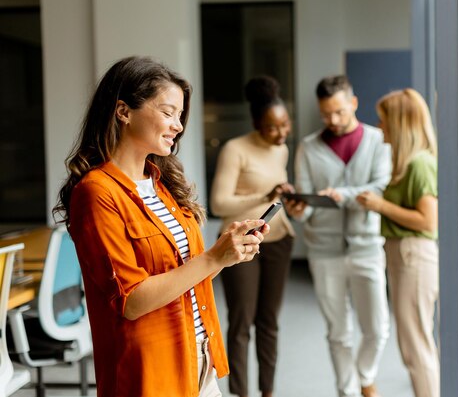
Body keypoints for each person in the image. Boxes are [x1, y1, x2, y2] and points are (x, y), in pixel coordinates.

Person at [53, 56, 269, 397]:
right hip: (152, 373)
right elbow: (132, 300)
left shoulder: (162, 186)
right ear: (123, 111)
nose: (178, 125)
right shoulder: (97, 193)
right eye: (168, 112)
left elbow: (184, 275)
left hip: (199, 359)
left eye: (180, 116)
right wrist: (213, 258)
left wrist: (226, 252)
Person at [284, 75, 391, 397]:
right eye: (326, 114)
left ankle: (365, 377)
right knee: (338, 332)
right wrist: (300, 209)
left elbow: (381, 186)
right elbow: (307, 202)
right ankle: (346, 390)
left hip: (367, 247)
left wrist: (342, 194)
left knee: (378, 329)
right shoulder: (308, 147)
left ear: (353, 103)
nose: (333, 120)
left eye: (340, 112)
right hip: (323, 251)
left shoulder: (378, 141)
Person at [210, 76, 295, 397]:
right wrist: (264, 194)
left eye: (285, 124)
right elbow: (220, 203)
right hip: (241, 243)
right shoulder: (235, 149)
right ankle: (240, 392)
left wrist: (290, 201)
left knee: (269, 322)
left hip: (279, 240)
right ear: (257, 122)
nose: (281, 132)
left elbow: (275, 199)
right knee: (242, 322)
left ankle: (268, 392)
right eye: (272, 127)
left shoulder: (282, 150)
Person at [356, 88, 440, 397]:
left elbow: (428, 222)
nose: (380, 127)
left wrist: (380, 206)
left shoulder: (419, 164)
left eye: (384, 120)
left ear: (400, 123)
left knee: (416, 347)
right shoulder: (407, 164)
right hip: (403, 253)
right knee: (414, 345)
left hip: (413, 253)